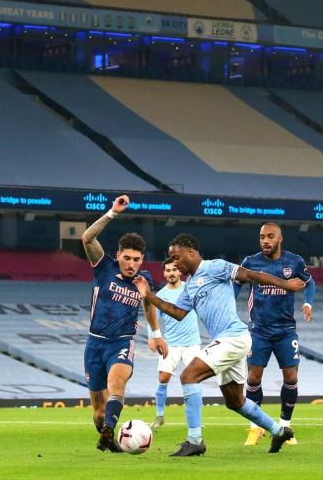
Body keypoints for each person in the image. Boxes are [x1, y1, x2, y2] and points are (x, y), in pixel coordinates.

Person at [134, 233, 305, 456]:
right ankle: (277, 430)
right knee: (235, 401)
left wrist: (286, 285)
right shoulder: (190, 286)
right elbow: (177, 312)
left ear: (192, 252)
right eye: (171, 259)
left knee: (188, 376)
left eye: (176, 257)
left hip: (233, 337)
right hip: (225, 341)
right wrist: (148, 295)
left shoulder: (215, 267)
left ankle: (195, 440)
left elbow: (251, 275)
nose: (174, 263)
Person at [80, 195, 164, 452]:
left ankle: (109, 429)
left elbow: (149, 305)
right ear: (118, 256)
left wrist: (155, 333)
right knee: (98, 412)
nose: (132, 264)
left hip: (121, 343)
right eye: (127, 258)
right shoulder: (104, 268)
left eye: (137, 260)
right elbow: (87, 238)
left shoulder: (145, 279)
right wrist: (112, 213)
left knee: (117, 383)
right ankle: (109, 435)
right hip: (95, 344)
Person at [241, 222, 315, 445]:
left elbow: (310, 284)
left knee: (291, 377)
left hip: (285, 331)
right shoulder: (250, 262)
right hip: (259, 331)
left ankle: (285, 426)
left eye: (270, 236)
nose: (265, 240)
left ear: (279, 239)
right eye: (262, 236)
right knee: (253, 378)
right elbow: (235, 285)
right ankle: (255, 428)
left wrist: (308, 304)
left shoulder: (294, 262)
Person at [150, 256, 200, 429]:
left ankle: (196, 420)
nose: (171, 273)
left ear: (180, 271)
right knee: (163, 377)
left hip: (192, 343)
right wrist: (153, 337)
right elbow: (153, 319)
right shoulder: (161, 295)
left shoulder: (190, 289)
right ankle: (160, 415)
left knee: (193, 381)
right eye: (168, 270)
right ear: (164, 273)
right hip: (171, 344)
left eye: (174, 270)